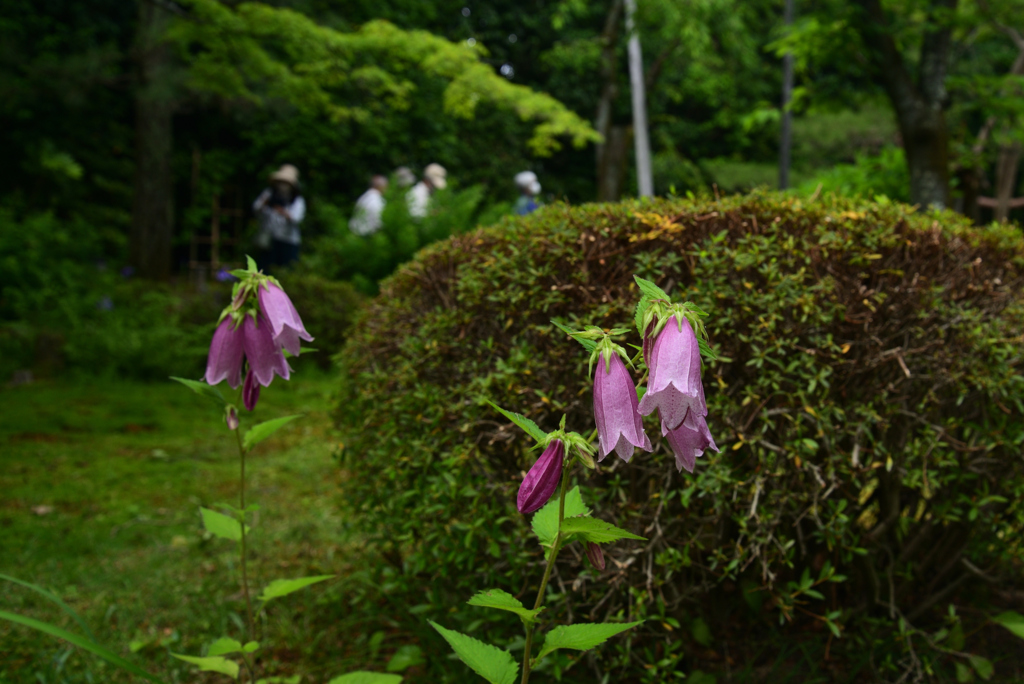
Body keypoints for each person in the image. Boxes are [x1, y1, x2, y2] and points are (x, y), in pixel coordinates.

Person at [253, 164, 305, 269]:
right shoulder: (269, 194)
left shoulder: (297, 200)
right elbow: (256, 208)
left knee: (286, 269)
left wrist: (282, 211)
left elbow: (297, 218)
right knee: (264, 268)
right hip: (269, 238)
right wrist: (266, 204)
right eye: (281, 182)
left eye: (286, 182)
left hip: (288, 240)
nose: (283, 185)